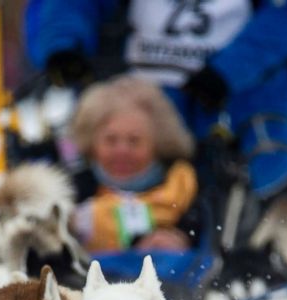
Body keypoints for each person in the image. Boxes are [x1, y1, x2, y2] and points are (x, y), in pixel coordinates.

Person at [28, 0, 287, 253]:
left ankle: (214, 259)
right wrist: (62, 45)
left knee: (228, 191)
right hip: (132, 90)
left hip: (237, 99)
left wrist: (229, 71)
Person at [69, 76, 199, 254]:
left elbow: (202, 234)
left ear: (158, 145)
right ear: (92, 144)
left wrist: (180, 239)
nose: (122, 151)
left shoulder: (185, 187)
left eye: (134, 141)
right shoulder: (72, 192)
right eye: (111, 140)